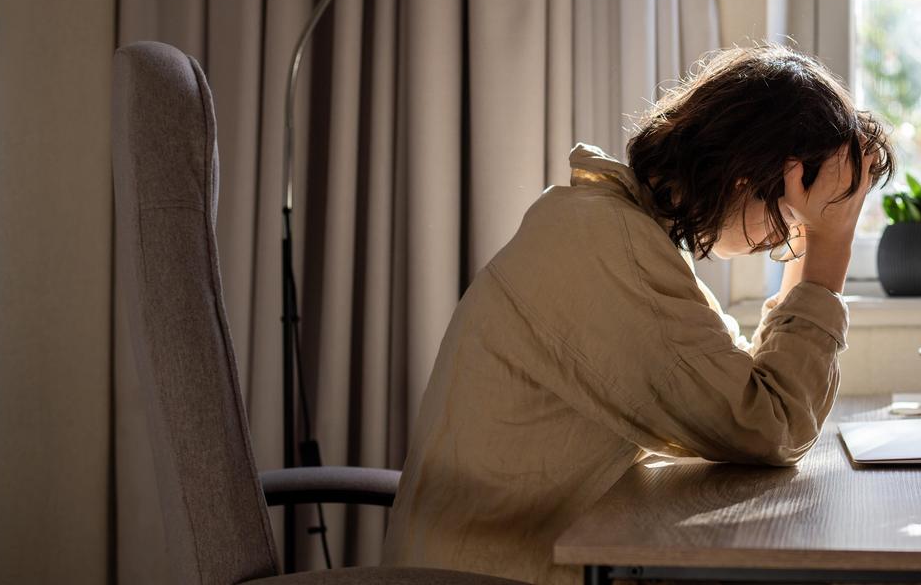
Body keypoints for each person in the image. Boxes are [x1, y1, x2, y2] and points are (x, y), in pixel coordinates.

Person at [383, 44, 894, 583]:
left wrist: (819, 237)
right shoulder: (611, 250)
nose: (785, 239)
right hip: (496, 571)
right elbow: (772, 425)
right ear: (748, 176)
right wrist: (830, 244)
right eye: (795, 211)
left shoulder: (619, 228)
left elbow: (749, 391)